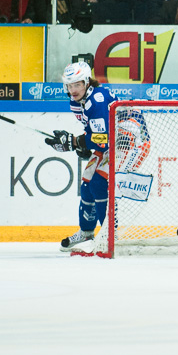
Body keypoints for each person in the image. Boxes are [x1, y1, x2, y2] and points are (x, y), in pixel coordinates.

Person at [48, 62, 118, 252]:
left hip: (129, 141)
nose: (73, 90)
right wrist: (79, 144)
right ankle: (87, 232)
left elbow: (103, 140)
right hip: (111, 142)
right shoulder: (76, 101)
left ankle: (109, 235)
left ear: (87, 82)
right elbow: (95, 134)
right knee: (87, 182)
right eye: (69, 86)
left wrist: (75, 142)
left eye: (77, 84)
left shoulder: (97, 100)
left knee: (99, 182)